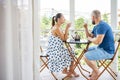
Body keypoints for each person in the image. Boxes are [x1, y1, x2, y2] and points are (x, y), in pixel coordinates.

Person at [83, 10, 115, 80]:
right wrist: (86, 28)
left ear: (93, 17)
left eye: (91, 18)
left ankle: (97, 72)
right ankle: (95, 71)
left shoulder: (102, 25)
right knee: (86, 51)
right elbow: (89, 36)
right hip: (101, 48)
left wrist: (90, 39)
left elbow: (97, 41)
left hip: (107, 51)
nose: (91, 19)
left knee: (86, 56)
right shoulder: (96, 26)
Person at [47, 13, 79, 77]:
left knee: (70, 51)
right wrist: (67, 28)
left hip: (57, 49)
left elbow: (65, 38)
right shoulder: (56, 28)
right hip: (55, 51)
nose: (64, 19)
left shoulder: (58, 27)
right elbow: (64, 39)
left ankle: (70, 70)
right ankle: (68, 70)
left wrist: (66, 29)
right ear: (59, 19)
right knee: (71, 52)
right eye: (63, 17)